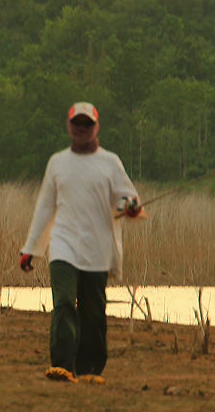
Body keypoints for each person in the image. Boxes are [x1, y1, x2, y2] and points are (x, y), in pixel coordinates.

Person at [19, 101, 143, 384]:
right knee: (63, 301)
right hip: (63, 245)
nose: (82, 129)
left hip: (98, 248)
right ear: (69, 126)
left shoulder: (110, 162)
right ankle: (61, 365)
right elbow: (45, 209)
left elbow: (128, 198)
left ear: (96, 127)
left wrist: (132, 207)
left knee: (93, 310)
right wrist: (31, 249)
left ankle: (89, 369)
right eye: (78, 124)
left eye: (88, 124)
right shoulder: (57, 163)